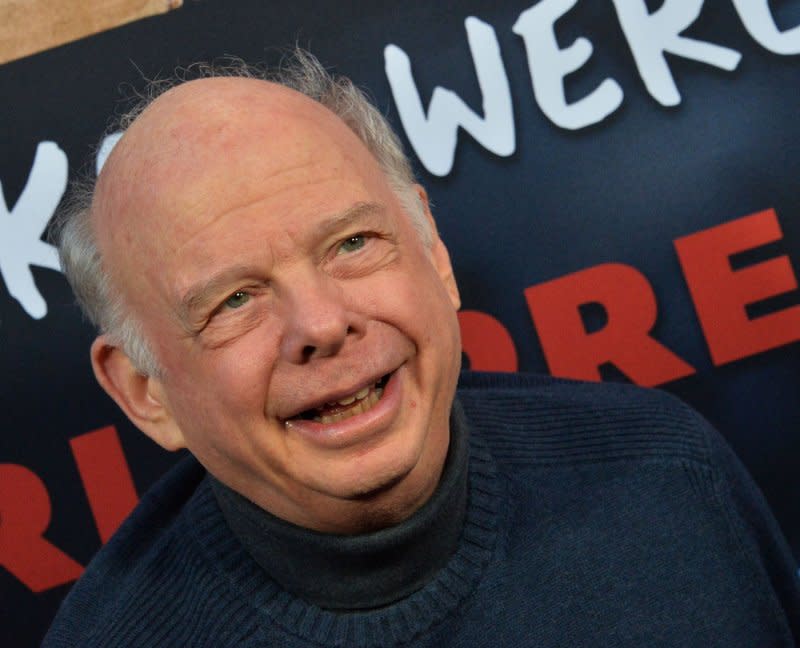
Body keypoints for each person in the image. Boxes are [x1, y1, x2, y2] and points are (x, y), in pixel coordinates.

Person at [44, 52, 799, 647]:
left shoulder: (669, 472)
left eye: (352, 243)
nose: (322, 324)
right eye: (234, 300)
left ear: (433, 254)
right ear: (145, 391)